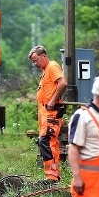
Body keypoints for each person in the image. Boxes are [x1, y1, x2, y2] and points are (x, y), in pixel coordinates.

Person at [29, 45, 68, 182]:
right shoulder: (46, 70)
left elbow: (63, 83)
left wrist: (52, 100)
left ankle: (52, 177)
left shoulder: (52, 67)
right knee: (48, 142)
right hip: (46, 113)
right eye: (33, 62)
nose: (35, 64)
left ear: (44, 56)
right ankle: (52, 176)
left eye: (36, 60)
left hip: (51, 112)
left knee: (46, 141)